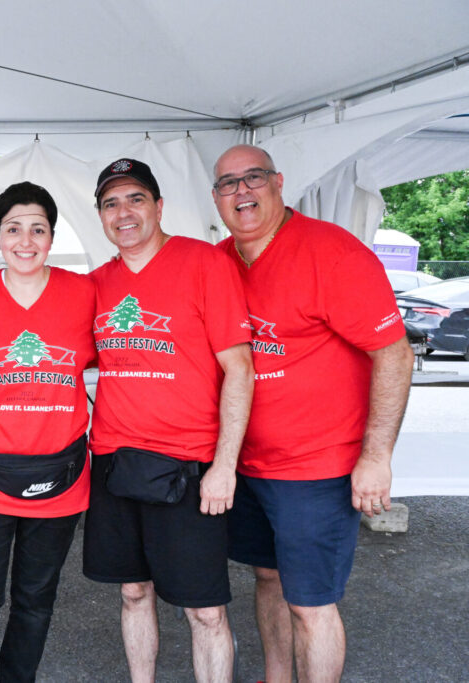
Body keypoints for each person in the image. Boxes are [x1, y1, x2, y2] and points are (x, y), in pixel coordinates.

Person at [211, 145, 414, 682]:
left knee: (312, 603)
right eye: (227, 184)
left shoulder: (332, 253)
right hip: (248, 466)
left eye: (252, 178)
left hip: (316, 469)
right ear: (216, 199)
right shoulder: (220, 260)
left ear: (278, 183)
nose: (241, 192)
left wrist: (377, 456)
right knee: (268, 579)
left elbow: (393, 353)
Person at [83, 158, 254, 682]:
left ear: (159, 206)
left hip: (188, 466)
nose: (123, 212)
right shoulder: (95, 284)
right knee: (134, 592)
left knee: (204, 610)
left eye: (135, 198)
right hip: (114, 460)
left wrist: (224, 466)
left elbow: (240, 370)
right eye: (111, 203)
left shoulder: (204, 264)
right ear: (101, 216)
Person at [0, 181, 96, 682]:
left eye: (38, 229)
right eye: (13, 228)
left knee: (35, 602)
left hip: (62, 478)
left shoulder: (83, 293)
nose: (25, 241)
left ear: (51, 236)